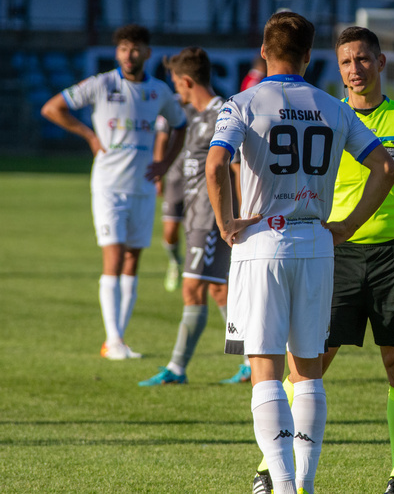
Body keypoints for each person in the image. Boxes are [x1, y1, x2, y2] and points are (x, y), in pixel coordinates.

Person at [254, 26, 394, 494]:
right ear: (337, 67)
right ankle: (273, 464)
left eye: (363, 59)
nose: (355, 69)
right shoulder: (326, 116)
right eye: (346, 62)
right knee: (308, 362)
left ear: (381, 62)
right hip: (333, 254)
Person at [206, 11, 394, 494]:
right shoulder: (334, 108)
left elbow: (215, 166)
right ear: (310, 58)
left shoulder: (244, 102)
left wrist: (227, 222)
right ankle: (307, 483)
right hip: (316, 242)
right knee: (308, 368)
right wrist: (348, 226)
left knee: (265, 366)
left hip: (262, 243)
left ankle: (284, 485)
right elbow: (386, 167)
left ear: (264, 52)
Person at [41, 24, 187, 360]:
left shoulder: (159, 91)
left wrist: (164, 164)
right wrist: (90, 136)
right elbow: (52, 108)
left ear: (147, 53)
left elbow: (180, 126)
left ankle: (118, 339)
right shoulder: (102, 84)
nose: (128, 54)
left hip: (143, 187)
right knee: (114, 256)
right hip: (108, 186)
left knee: (133, 259)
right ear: (117, 52)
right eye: (122, 48)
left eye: (135, 48)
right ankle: (113, 339)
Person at [138, 46, 248, 386]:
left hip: (210, 220)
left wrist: (237, 215)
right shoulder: (192, 116)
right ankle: (249, 361)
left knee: (192, 289)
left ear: (187, 81)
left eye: (176, 83)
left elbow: (237, 166)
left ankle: (177, 368)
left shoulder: (222, 113)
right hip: (196, 216)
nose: (175, 91)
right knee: (218, 291)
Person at [154, 114, 188, 292]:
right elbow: (162, 139)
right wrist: (159, 173)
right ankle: (175, 261)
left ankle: (195, 274)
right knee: (170, 231)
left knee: (196, 232)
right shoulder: (172, 107)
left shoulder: (212, 104)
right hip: (175, 178)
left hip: (201, 179)